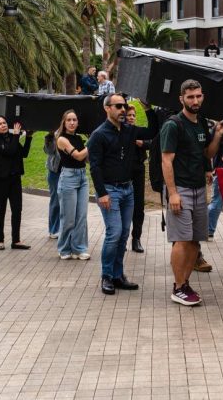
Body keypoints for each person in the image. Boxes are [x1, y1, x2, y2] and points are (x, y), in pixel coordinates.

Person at [160, 79, 223, 306]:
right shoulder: (173, 125)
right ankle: (178, 287)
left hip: (199, 188)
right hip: (180, 189)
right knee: (181, 240)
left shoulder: (202, 123)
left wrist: (218, 135)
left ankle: (185, 283)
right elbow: (166, 161)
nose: (195, 100)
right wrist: (172, 193)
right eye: (190, 97)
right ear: (181, 99)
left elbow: (207, 154)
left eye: (198, 96)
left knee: (194, 242)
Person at [87, 94, 158, 295]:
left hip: (128, 190)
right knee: (114, 233)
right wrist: (102, 193)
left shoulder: (128, 130)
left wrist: (148, 108)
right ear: (107, 108)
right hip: (110, 191)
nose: (122, 109)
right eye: (118, 106)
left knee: (124, 234)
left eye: (124, 106)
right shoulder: (99, 135)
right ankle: (107, 276)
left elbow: (152, 131)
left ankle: (118, 275)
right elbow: (95, 167)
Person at [0, 116, 33, 250]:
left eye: (4, 123)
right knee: (0, 210)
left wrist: (28, 137)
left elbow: (23, 153)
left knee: (17, 209)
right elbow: (9, 151)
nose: (3, 125)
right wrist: (16, 135)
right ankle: (0, 240)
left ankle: (16, 241)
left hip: (14, 178)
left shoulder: (10, 137)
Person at [56, 110, 90, 260]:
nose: (72, 122)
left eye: (74, 120)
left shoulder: (79, 139)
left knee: (81, 216)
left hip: (82, 176)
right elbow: (77, 156)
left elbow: (85, 160)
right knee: (69, 217)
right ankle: (64, 249)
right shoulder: (62, 139)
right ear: (64, 122)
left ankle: (79, 248)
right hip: (68, 178)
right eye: (69, 120)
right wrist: (93, 142)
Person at [125, 107, 149, 254]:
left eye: (133, 115)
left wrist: (142, 144)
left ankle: (136, 239)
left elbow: (153, 141)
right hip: (124, 172)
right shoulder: (121, 132)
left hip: (139, 170)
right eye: (129, 115)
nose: (132, 117)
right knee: (124, 207)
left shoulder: (139, 132)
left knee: (139, 207)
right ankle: (122, 239)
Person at [43, 131, 62, 235]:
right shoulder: (54, 135)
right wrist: (50, 137)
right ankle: (54, 229)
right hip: (56, 173)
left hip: (70, 173)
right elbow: (49, 151)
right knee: (56, 202)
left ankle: (65, 229)